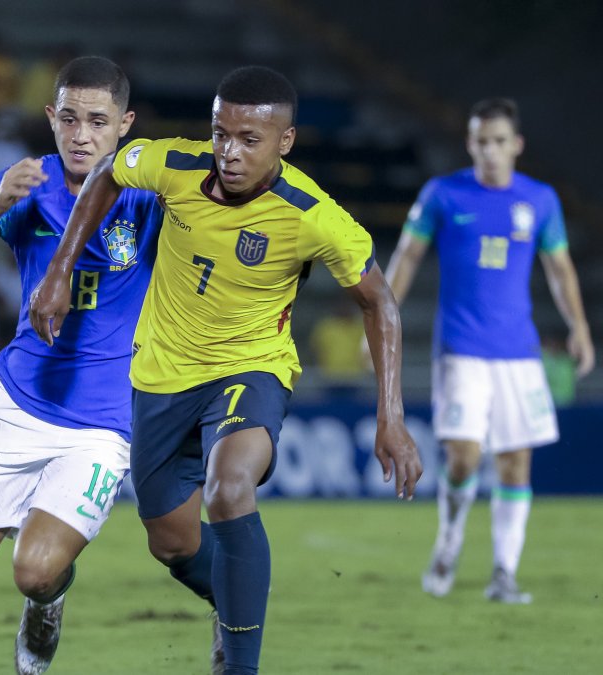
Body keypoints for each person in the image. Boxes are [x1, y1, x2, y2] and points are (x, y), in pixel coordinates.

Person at [29, 65, 423, 675]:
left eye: (249, 140)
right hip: (160, 376)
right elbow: (107, 173)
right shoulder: (175, 165)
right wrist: (60, 269)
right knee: (172, 542)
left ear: (284, 143)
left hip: (251, 368)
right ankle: (234, 597)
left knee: (229, 485)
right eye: (221, 135)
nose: (229, 153)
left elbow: (380, 301)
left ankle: (239, 666)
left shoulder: (312, 214)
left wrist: (390, 417)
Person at [0, 56, 161, 675]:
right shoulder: (24, 185)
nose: (82, 134)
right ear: (51, 118)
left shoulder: (152, 196)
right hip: (20, 406)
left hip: (104, 424)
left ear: (124, 125)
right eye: (70, 118)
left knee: (35, 570)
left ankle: (48, 602)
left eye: (98, 121)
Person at [382, 97, 594, 604]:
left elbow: (560, 270)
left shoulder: (539, 200)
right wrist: (384, 321)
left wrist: (579, 328)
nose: (491, 151)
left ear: (516, 145)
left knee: (515, 464)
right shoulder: (443, 194)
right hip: (461, 348)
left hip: (518, 353)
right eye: (481, 141)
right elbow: (408, 256)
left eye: (500, 141)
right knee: (463, 459)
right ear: (470, 144)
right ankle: (449, 543)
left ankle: (503, 572)